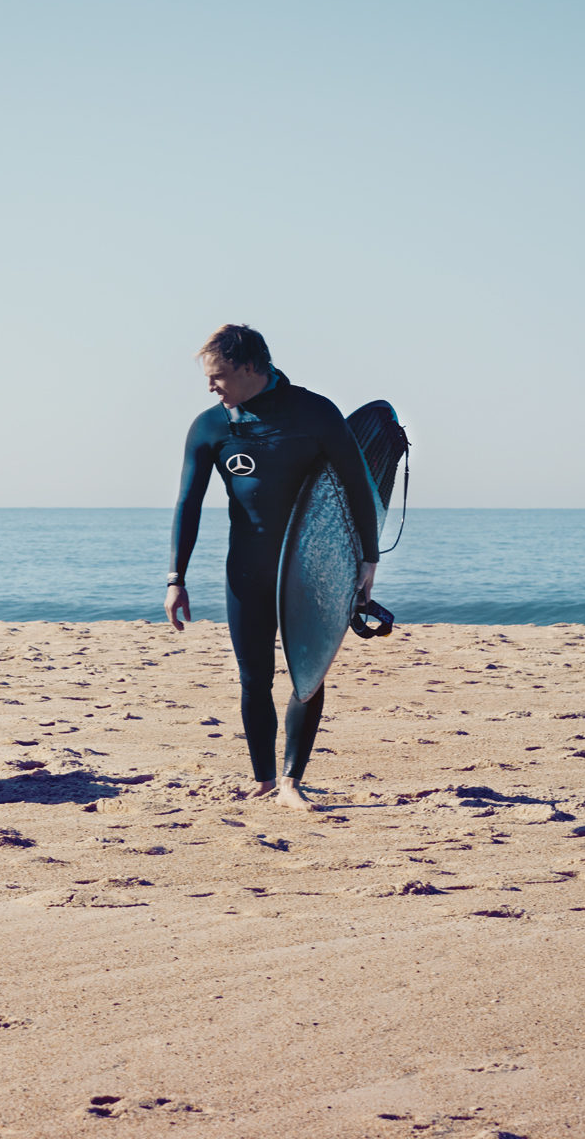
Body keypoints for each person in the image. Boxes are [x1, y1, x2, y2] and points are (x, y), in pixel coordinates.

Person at [164, 324, 379, 811]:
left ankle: (291, 782)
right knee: (253, 677)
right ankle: (263, 779)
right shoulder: (210, 426)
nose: (210, 386)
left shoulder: (313, 412)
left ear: (249, 367)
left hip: (312, 570)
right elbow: (187, 504)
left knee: (307, 673)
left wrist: (368, 559)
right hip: (246, 569)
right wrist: (176, 579)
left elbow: (358, 486)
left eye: (218, 375)